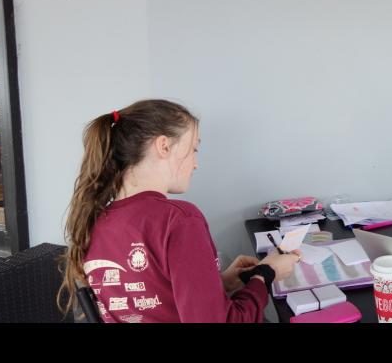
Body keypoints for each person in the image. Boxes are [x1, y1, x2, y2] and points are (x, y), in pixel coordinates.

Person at [57, 99, 300, 323]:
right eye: (194, 148)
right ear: (163, 146)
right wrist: (265, 276)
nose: (196, 163)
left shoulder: (97, 220)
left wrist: (220, 284)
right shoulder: (179, 219)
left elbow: (151, 301)